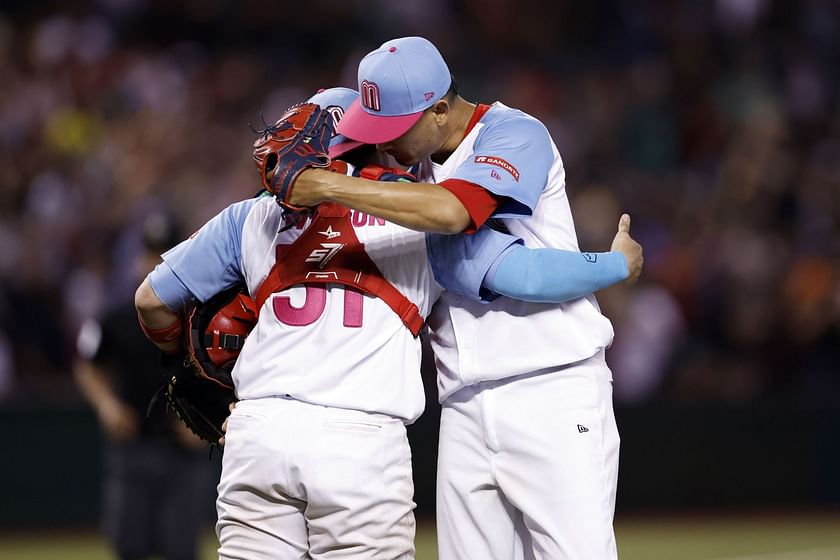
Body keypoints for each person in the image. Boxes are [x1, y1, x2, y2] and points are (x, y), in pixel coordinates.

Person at [135, 85, 640, 559]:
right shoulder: (420, 218)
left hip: (258, 431)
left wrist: (177, 355)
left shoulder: (250, 217)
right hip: (359, 439)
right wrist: (613, 264)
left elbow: (151, 301)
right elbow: (522, 273)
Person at [285, 37, 640, 559]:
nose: (382, 143)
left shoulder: (514, 132)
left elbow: (458, 219)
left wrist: (329, 187)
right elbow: (324, 132)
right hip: (462, 404)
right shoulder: (408, 166)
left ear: (441, 111)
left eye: (394, 128)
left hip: (553, 385)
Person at [74, 213, 215, 560]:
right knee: (129, 546)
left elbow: (232, 372)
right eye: (151, 254)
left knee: (180, 549)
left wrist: (208, 421)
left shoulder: (205, 316)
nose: (155, 264)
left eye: (165, 255)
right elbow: (87, 364)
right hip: (133, 446)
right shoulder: (117, 314)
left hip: (184, 453)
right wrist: (107, 404)